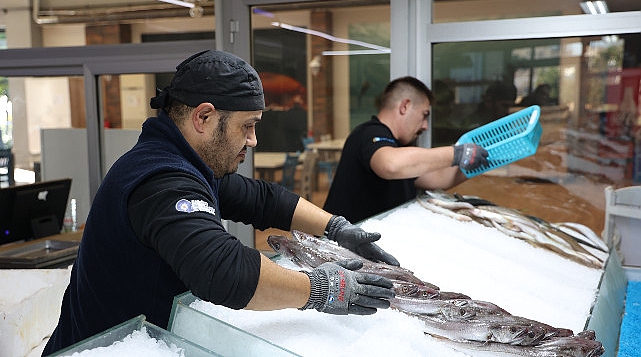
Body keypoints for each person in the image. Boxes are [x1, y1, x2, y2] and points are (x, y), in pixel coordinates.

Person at [42, 50, 398, 355]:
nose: (253, 140)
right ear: (204, 117)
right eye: (247, 126)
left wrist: (335, 227)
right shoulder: (161, 179)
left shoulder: (185, 163)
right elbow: (223, 271)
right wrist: (321, 289)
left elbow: (261, 199)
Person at [323, 76, 489, 224]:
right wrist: (457, 153)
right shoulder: (368, 132)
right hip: (337, 248)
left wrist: (480, 162)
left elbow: (437, 178)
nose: (425, 126)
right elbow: (390, 164)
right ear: (405, 106)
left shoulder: (399, 148)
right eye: (424, 115)